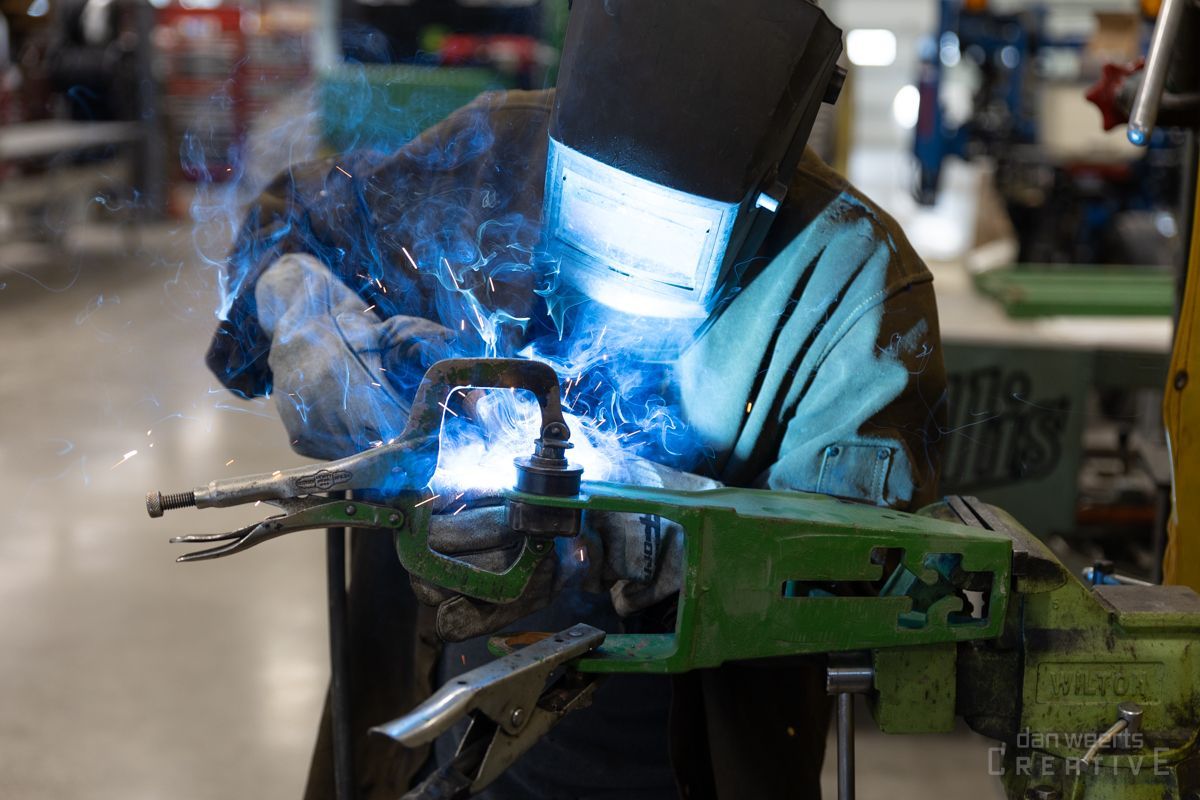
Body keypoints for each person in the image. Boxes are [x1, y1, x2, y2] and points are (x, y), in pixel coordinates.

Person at [206, 1, 948, 797]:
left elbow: (870, 584)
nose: (622, 262)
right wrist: (297, 304)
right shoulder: (498, 152)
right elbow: (290, 218)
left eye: (669, 234)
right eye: (595, 203)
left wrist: (653, 535)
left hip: (691, 763)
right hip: (433, 726)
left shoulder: (856, 281)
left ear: (761, 196)